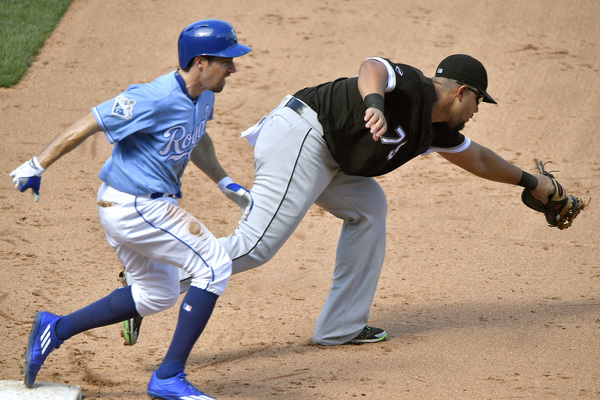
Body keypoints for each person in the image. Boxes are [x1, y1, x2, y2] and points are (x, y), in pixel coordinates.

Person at [127, 54, 556, 347]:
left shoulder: (437, 129)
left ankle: (340, 327)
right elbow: (373, 67)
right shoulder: (414, 87)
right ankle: (150, 283)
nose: (478, 109)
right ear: (462, 91)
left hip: (329, 157)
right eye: (479, 100)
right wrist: (376, 104)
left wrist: (532, 182)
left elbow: (478, 158)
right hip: (303, 135)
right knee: (257, 245)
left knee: (369, 209)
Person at [10, 19, 253, 400]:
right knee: (214, 265)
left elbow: (196, 138)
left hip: (141, 206)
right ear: (200, 62)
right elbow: (91, 121)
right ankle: (169, 375)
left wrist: (224, 181)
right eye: (226, 61)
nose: (233, 68)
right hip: (135, 206)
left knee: (158, 294)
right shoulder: (152, 98)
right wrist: (36, 164)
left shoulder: (204, 96)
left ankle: (54, 329)